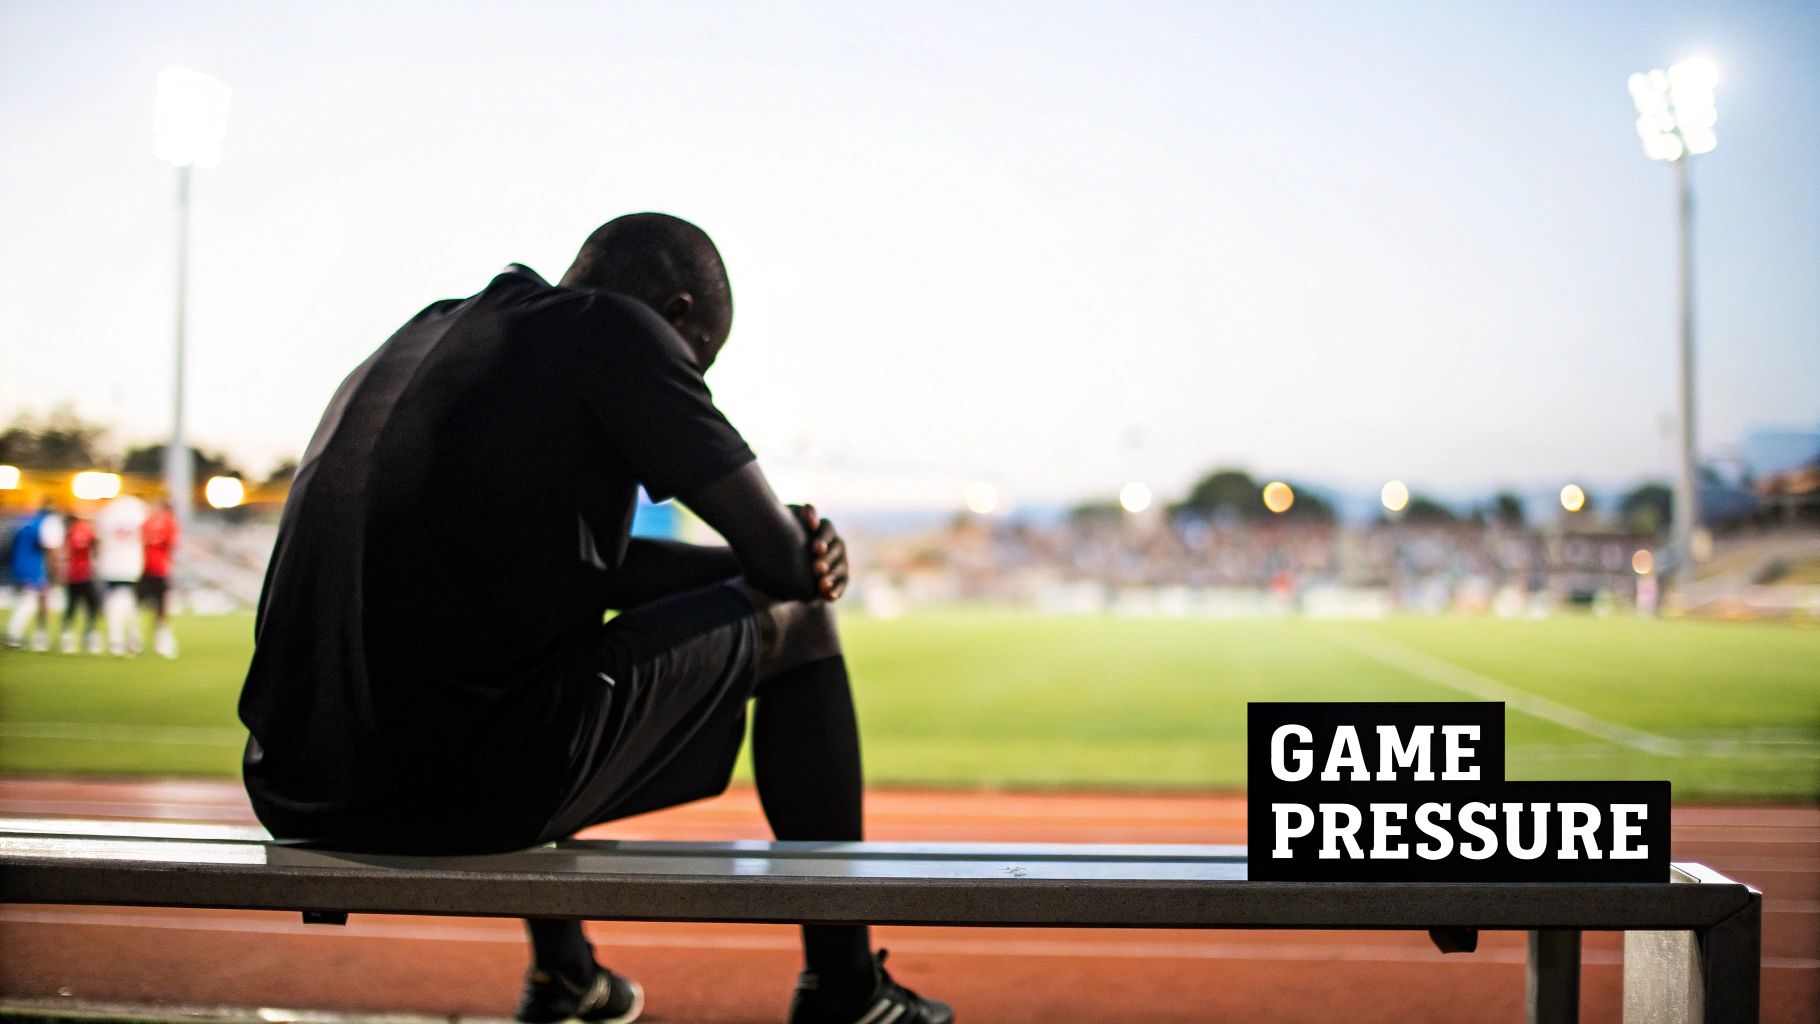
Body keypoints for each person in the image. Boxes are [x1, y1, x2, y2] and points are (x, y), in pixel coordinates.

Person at [238, 213, 951, 1024]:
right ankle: (846, 990)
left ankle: (566, 977)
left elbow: (580, 571)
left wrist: (754, 561)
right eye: (699, 367)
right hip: (446, 794)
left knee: (536, 646)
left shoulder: (430, 334)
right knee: (801, 626)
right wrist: (799, 545)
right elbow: (788, 571)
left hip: (294, 780)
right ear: (676, 315)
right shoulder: (615, 331)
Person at [5, 498, 64, 651]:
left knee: (32, 599)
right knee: (31, 601)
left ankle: (32, 635)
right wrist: (55, 572)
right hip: (33, 567)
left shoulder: (28, 521)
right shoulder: (48, 522)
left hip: (19, 564)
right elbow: (51, 549)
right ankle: (14, 635)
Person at [95, 492, 149, 657]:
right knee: (125, 600)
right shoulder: (138, 511)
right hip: (131, 564)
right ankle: (123, 637)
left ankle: (124, 637)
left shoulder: (107, 513)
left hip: (111, 562)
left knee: (118, 600)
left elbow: (99, 538)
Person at [57, 512, 103, 654]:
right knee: (91, 607)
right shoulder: (83, 531)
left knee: (72, 606)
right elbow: (96, 543)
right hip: (84, 574)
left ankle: (67, 636)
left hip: (73, 575)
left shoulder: (69, 533)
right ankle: (88, 636)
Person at [140, 498, 180, 658]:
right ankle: (162, 639)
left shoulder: (146, 521)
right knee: (161, 607)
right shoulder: (169, 522)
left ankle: (133, 637)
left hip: (141, 568)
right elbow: (172, 545)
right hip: (160, 569)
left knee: (137, 605)